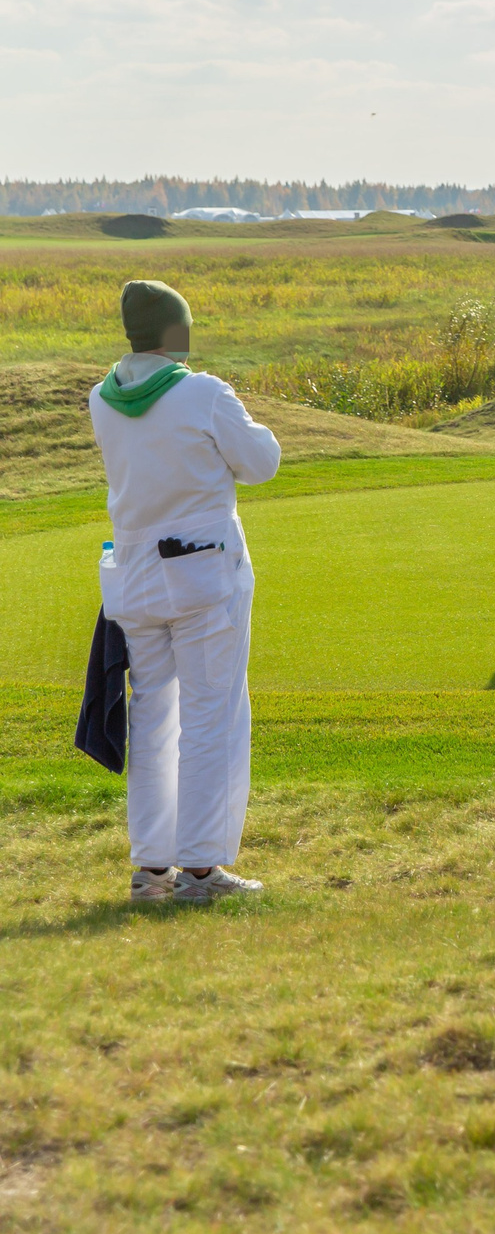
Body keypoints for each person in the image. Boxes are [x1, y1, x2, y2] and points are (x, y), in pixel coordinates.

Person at [88, 279, 280, 903]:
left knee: (152, 718)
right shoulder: (203, 393)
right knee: (212, 715)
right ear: (178, 330)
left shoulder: (101, 397)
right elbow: (261, 463)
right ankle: (201, 869)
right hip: (203, 575)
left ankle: (152, 869)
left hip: (134, 576)